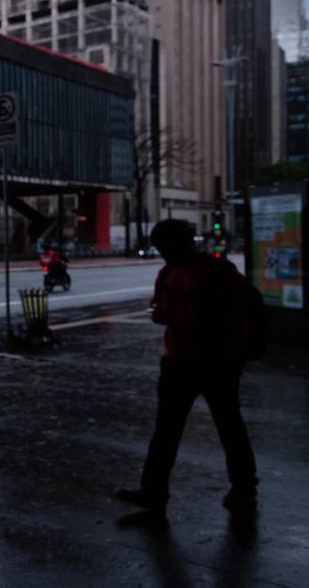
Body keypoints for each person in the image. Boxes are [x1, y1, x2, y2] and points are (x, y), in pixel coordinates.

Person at [117, 219, 258, 514]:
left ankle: (243, 489)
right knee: (168, 431)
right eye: (160, 249)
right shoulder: (168, 273)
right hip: (178, 362)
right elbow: (165, 309)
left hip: (216, 363)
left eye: (167, 247)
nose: (165, 254)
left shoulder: (217, 272)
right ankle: (153, 492)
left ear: (185, 243)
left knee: (227, 426)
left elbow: (232, 316)